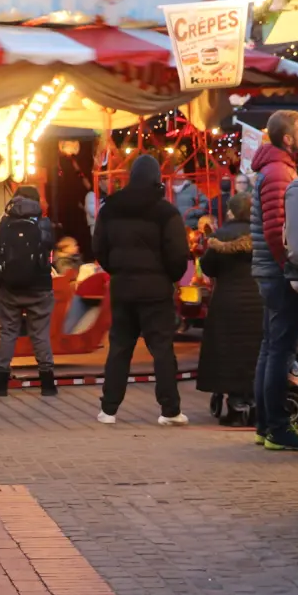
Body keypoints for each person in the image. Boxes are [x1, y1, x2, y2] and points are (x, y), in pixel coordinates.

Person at [93, 154, 189, 425]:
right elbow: (177, 254)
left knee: (120, 347)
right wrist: (168, 277)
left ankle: (108, 409)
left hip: (122, 288)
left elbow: (99, 247)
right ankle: (170, 410)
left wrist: (118, 270)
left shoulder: (109, 208)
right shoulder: (166, 212)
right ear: (157, 178)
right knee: (162, 349)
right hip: (156, 291)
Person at [249, 110, 298, 451]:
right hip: (278, 274)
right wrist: (290, 268)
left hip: (269, 272)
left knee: (271, 348)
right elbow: (277, 229)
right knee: (281, 350)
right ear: (287, 138)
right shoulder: (278, 172)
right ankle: (276, 427)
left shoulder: (277, 168)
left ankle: (265, 426)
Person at [196, 193, 262, 426]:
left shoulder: (219, 237)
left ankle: (235, 409)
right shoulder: (262, 233)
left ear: (232, 211)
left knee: (229, 353)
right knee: (255, 354)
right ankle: (256, 407)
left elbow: (208, 267)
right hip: (258, 301)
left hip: (227, 302)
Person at [0, 185, 58, 397]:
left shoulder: (5, 222)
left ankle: (0, 383)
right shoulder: (43, 223)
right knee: (40, 334)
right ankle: (47, 384)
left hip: (8, 288)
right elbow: (50, 248)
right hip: (39, 288)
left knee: (8, 332)